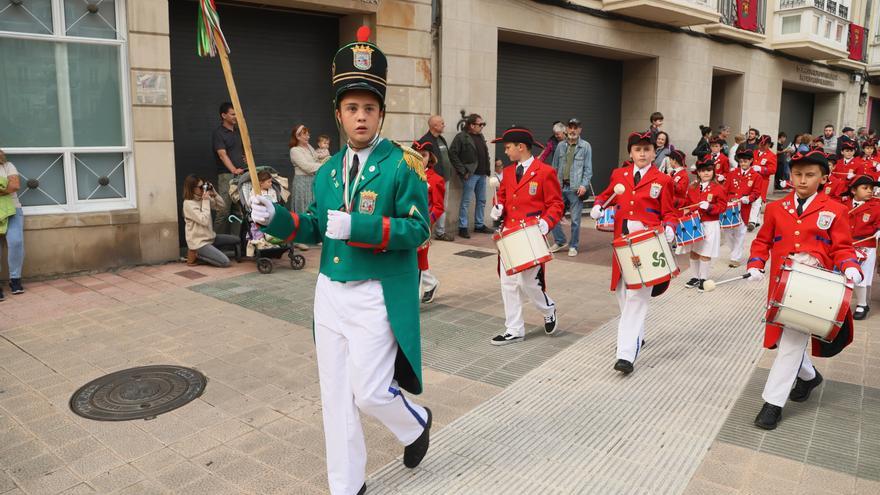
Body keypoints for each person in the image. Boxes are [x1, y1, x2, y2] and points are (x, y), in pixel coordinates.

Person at [249, 28, 431, 495]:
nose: (361, 117)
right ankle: (347, 486)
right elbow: (312, 227)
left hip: (376, 291)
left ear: (381, 113)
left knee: (369, 393)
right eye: (352, 108)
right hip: (329, 292)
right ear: (339, 113)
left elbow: (418, 229)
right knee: (335, 397)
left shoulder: (402, 164)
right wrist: (277, 219)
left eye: (369, 108)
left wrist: (363, 229)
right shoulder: (327, 170)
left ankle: (415, 423)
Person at [746, 149, 862, 430]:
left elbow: (843, 247)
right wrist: (756, 264)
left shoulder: (835, 210)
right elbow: (762, 241)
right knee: (784, 340)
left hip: (813, 289)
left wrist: (849, 265)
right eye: (797, 174)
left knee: (790, 343)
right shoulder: (775, 209)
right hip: (781, 287)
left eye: (810, 175)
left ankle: (772, 403)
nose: (802, 179)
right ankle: (810, 377)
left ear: (823, 178)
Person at [590, 132, 678, 374]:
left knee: (636, 299)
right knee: (623, 295)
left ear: (654, 153)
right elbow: (607, 194)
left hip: (646, 245)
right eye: (637, 149)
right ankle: (637, 335)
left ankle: (625, 354)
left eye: (647, 149)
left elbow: (670, 212)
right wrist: (598, 205)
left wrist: (670, 227)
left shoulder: (663, 180)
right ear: (630, 153)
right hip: (621, 243)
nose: (642, 153)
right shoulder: (620, 174)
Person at [488, 126, 563, 345]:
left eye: (508, 147)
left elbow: (556, 204)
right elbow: (501, 197)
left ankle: (548, 309)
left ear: (521, 147)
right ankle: (514, 329)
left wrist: (546, 223)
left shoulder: (545, 171)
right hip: (509, 235)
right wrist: (498, 207)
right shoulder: (509, 172)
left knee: (530, 283)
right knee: (508, 283)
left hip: (531, 233)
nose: (506, 152)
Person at [680, 156, 727, 291]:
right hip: (695, 223)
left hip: (710, 224)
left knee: (705, 253)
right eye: (703, 170)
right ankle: (695, 277)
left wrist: (710, 207)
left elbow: (723, 207)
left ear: (713, 171)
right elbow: (687, 204)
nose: (706, 173)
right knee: (694, 252)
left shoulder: (719, 188)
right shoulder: (692, 187)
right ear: (698, 173)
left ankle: (703, 279)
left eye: (709, 170)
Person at [549, 119, 592, 257]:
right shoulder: (561, 146)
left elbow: (588, 169)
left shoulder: (585, 146)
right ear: (567, 129)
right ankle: (560, 240)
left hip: (575, 189)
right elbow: (554, 167)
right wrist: (552, 185)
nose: (573, 130)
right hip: (560, 187)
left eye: (576, 128)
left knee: (575, 220)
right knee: (553, 215)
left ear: (580, 130)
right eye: (571, 127)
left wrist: (584, 185)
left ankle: (573, 245)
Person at [412, 139, 445, 304]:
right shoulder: (408, 174)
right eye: (417, 155)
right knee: (414, 259)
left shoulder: (436, 179)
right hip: (406, 223)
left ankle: (414, 299)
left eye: (423, 155)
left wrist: (427, 222)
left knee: (417, 260)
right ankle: (431, 284)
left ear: (430, 157)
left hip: (423, 226)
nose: (420, 158)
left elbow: (438, 207)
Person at [450, 113, 492, 238]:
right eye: (480, 124)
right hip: (470, 174)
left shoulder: (480, 136)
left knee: (482, 200)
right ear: (472, 125)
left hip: (482, 174)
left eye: (483, 124)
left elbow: (485, 153)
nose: (482, 127)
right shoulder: (461, 137)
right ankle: (463, 227)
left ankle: (479, 225)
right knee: (466, 201)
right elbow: (452, 154)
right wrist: (463, 171)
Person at [182, 175, 237, 267]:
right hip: (199, 242)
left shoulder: (202, 198)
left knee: (236, 239)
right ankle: (197, 254)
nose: (203, 188)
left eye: (203, 185)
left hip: (211, 237)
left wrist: (214, 193)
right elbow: (204, 221)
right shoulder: (188, 204)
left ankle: (210, 253)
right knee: (225, 262)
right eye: (200, 187)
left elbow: (222, 207)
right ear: (192, 189)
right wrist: (206, 201)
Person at [847, 175, 880, 319]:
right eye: (865, 188)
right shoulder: (843, 205)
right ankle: (840, 303)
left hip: (866, 245)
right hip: (846, 244)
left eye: (871, 188)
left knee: (863, 275)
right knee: (843, 274)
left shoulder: (876, 206)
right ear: (854, 190)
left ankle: (862, 304)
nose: (869, 191)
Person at [290, 124, 326, 251]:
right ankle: (298, 239)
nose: (308, 136)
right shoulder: (294, 150)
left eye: (308, 133)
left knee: (313, 208)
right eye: (305, 134)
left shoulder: (310, 148)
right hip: (301, 182)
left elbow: (315, 161)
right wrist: (323, 166)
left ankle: (315, 236)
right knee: (301, 208)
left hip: (312, 180)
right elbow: (305, 166)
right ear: (298, 136)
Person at [212, 102, 246, 236]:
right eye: (233, 114)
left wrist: (245, 159)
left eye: (237, 114)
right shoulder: (218, 133)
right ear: (223, 115)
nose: (236, 117)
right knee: (223, 211)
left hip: (241, 175)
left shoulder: (239, 132)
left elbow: (243, 151)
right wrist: (233, 169)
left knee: (238, 211)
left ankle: (235, 243)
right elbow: (222, 154)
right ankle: (214, 245)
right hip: (226, 176)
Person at [419, 115, 455, 241]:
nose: (444, 125)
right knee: (433, 205)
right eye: (442, 123)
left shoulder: (441, 139)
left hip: (445, 177)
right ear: (434, 126)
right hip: (433, 178)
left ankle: (440, 231)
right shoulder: (425, 141)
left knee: (441, 205)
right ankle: (435, 232)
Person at [724, 149, 763, 263]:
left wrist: (749, 198)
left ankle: (735, 258)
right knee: (728, 233)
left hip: (744, 208)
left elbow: (756, 193)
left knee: (740, 233)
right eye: (741, 161)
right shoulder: (732, 173)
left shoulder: (756, 176)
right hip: (730, 207)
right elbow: (725, 189)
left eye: (745, 161)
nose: (743, 164)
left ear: (751, 160)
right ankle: (735, 251)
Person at [0, 150, 24, 299]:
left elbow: (14, 186)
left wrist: (6, 188)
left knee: (16, 242)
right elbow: (8, 187)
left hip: (13, 208)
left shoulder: (8, 166)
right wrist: (4, 188)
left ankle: (15, 279)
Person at [748, 135, 777, 229]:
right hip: (751, 180)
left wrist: (761, 168)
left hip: (762, 181)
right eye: (760, 144)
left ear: (768, 144)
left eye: (764, 144)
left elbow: (773, 170)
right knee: (751, 199)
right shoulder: (754, 152)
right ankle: (757, 221)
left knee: (758, 200)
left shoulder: (771, 155)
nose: (761, 146)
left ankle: (752, 221)